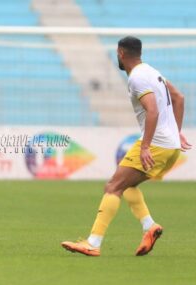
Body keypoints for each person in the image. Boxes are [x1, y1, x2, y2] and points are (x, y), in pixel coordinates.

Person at [61, 36, 191, 256]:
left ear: (121, 53)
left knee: (113, 186)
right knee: (127, 186)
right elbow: (179, 98)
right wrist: (175, 133)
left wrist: (146, 146)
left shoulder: (136, 78)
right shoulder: (152, 72)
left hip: (156, 144)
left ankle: (93, 243)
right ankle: (149, 227)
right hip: (170, 146)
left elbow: (153, 110)